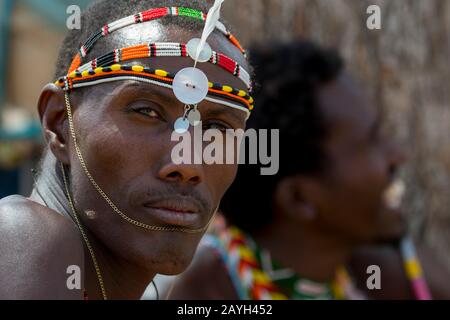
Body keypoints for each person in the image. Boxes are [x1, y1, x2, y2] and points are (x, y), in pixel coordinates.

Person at [0, 0, 253, 299]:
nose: (188, 164)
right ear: (60, 122)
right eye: (147, 111)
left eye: (217, 129)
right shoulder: (26, 235)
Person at [169, 40, 450, 300]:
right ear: (299, 199)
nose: (398, 155)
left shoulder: (393, 277)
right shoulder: (201, 293)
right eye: (371, 142)